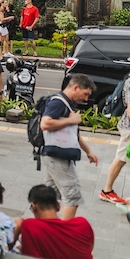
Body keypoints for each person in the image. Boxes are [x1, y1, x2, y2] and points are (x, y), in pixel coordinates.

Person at [40, 74, 99, 219]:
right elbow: (45, 124)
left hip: (53, 154)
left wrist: (88, 151)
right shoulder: (58, 103)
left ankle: (42, 231)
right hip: (57, 155)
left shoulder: (67, 103)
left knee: (49, 197)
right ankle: (62, 237)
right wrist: (70, 120)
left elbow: (73, 133)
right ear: (76, 87)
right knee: (72, 197)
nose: (86, 99)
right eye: (85, 94)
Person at [16, 185, 95, 259]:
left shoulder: (29, 226)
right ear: (58, 206)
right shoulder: (82, 223)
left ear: (34, 207)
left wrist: (18, 228)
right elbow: (89, 248)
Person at [100, 46, 130, 204]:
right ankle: (107, 190)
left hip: (129, 126)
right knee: (121, 158)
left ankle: (109, 191)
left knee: (121, 158)